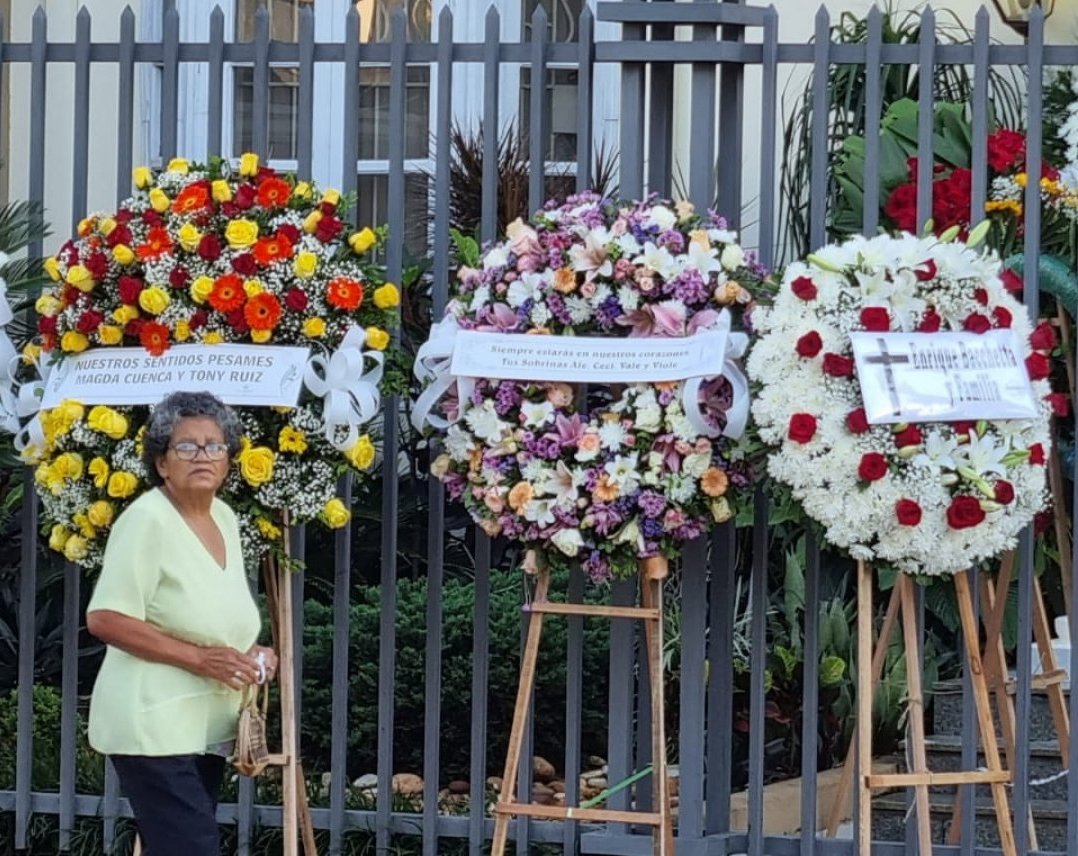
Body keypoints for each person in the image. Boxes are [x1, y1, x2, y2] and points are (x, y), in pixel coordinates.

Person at [86, 390, 278, 856]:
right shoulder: (147, 520)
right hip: (152, 721)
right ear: (162, 463)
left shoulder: (225, 517)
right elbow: (106, 617)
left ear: (229, 460)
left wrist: (254, 652)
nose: (203, 456)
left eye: (214, 446)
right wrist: (198, 658)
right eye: (186, 447)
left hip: (205, 722)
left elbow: (214, 610)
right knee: (192, 846)